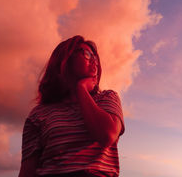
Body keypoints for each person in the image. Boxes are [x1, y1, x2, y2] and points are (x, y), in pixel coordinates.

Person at [18, 35, 125, 177]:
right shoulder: (39, 114)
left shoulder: (107, 98)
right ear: (65, 60)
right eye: (86, 54)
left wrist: (81, 89)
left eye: (95, 56)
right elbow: (27, 171)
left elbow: (106, 135)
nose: (94, 60)